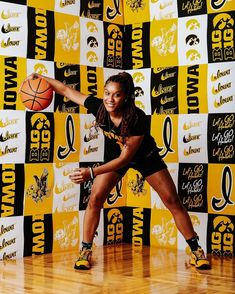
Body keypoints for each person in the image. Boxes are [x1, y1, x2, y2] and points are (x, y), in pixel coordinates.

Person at [21, 72, 210, 270]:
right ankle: (85, 251)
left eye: (116, 95)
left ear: (126, 96)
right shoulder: (99, 107)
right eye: (107, 93)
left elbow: (126, 159)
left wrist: (91, 172)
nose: (110, 99)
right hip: (114, 158)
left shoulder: (137, 118)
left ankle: (196, 251)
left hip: (144, 157)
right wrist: (40, 77)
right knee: (95, 199)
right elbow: (66, 90)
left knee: (172, 200)